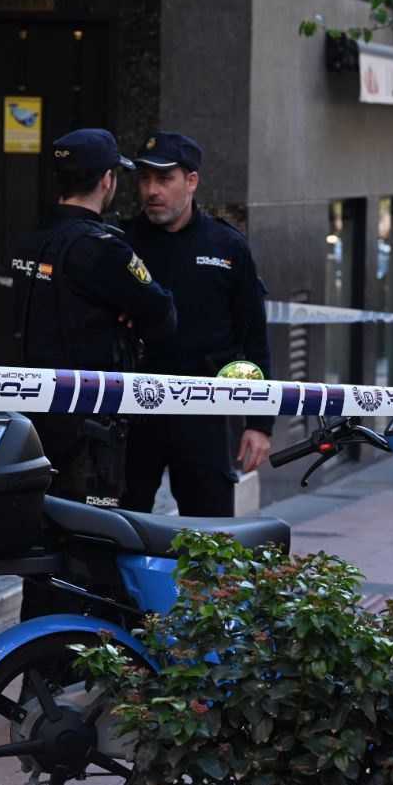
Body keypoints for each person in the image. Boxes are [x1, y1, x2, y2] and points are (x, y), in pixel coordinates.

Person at [11, 127, 176, 618]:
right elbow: (164, 317)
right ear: (108, 180)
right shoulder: (102, 248)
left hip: (36, 422)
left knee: (45, 552)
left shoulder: (31, 238)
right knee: (89, 555)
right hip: (89, 434)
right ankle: (69, 669)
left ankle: (37, 667)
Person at [120, 131, 273, 516]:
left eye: (164, 179)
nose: (152, 190)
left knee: (209, 536)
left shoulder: (226, 245)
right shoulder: (121, 241)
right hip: (131, 406)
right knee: (115, 528)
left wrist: (259, 422)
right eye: (144, 179)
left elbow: (254, 337)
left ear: (191, 181)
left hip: (202, 408)